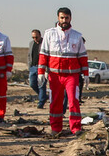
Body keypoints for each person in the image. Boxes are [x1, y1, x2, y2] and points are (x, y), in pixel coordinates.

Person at [38, 7, 89, 137]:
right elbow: (43, 54)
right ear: (58, 18)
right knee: (55, 102)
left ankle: (76, 127)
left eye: (66, 18)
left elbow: (82, 57)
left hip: (72, 75)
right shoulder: (49, 34)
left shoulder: (77, 36)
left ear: (70, 18)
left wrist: (86, 74)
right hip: (54, 75)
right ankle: (55, 127)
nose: (64, 20)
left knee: (73, 101)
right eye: (62, 18)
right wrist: (40, 71)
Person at [28, 29, 47, 108]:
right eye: (33, 37)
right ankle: (43, 96)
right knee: (32, 84)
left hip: (42, 67)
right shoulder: (31, 44)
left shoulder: (44, 43)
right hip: (33, 67)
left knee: (41, 85)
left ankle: (41, 102)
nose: (35, 39)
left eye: (36, 37)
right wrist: (29, 65)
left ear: (40, 36)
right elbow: (29, 55)